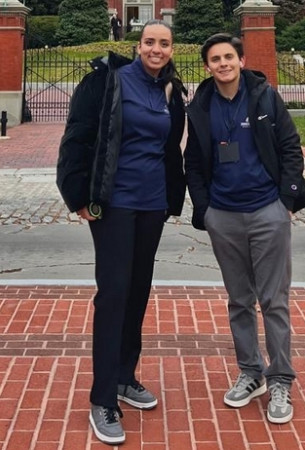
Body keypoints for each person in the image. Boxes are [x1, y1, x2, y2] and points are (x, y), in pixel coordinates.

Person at [56, 19, 186, 445]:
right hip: (113, 203)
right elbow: (77, 138)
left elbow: (171, 149)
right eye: (150, 42)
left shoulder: (171, 91)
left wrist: (174, 198)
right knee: (113, 292)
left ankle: (126, 376)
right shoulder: (106, 81)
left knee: (138, 290)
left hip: (152, 205)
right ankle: (102, 397)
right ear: (137, 45)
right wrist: (76, 195)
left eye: (164, 44)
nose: (156, 49)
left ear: (171, 49)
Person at [184, 33, 305, 425]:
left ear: (240, 60)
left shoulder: (264, 97)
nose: (223, 63)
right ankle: (251, 371)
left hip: (266, 210)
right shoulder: (200, 108)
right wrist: (205, 209)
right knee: (239, 300)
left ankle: (280, 378)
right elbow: (193, 162)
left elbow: (291, 147)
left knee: (274, 299)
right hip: (223, 215)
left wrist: (287, 201)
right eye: (215, 59)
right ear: (207, 66)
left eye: (229, 56)